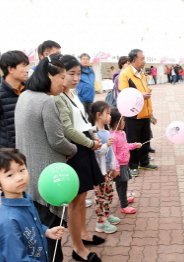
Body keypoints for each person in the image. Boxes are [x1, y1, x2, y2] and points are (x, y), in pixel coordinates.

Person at [15, 54, 78, 262]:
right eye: (61, 77)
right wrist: (74, 150)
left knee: (39, 230)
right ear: (49, 76)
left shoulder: (25, 96)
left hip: (30, 176)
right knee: (52, 235)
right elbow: (57, 140)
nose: (64, 83)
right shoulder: (46, 102)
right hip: (49, 179)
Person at [54, 55, 104, 261]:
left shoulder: (73, 94)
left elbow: (82, 121)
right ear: (60, 74)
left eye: (78, 74)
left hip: (84, 144)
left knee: (83, 197)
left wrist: (93, 135)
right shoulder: (57, 97)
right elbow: (67, 129)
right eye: (70, 74)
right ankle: (77, 248)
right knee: (75, 201)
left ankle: (83, 233)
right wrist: (90, 143)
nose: (75, 78)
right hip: (74, 149)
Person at [0, 148, 65, 262]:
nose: (19, 178)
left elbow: (31, 226)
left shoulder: (26, 199)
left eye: (22, 170)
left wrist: (46, 231)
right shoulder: (8, 223)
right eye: (10, 175)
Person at [118, 49, 157, 176]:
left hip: (145, 112)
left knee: (145, 139)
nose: (144, 61)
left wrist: (150, 112)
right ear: (134, 60)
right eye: (142, 59)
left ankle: (144, 162)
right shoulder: (125, 75)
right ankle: (133, 165)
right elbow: (124, 94)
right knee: (132, 140)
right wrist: (140, 96)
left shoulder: (142, 74)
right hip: (133, 114)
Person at [89, 101, 121, 233]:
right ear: (98, 115)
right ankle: (100, 221)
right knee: (100, 196)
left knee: (108, 194)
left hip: (107, 170)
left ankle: (106, 215)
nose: (110, 116)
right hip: (99, 171)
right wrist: (106, 145)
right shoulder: (94, 133)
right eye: (107, 113)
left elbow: (111, 154)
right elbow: (97, 153)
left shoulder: (106, 131)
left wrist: (113, 168)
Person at [110, 108, 140, 213]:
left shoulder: (122, 133)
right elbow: (112, 153)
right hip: (119, 165)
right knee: (122, 185)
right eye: (122, 120)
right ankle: (124, 205)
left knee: (121, 184)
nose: (124, 122)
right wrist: (116, 168)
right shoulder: (112, 137)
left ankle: (122, 199)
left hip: (124, 163)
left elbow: (124, 146)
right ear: (115, 123)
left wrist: (134, 145)